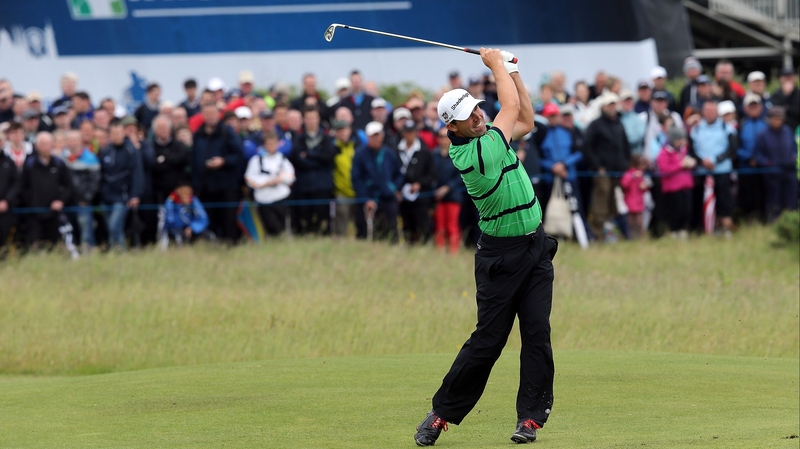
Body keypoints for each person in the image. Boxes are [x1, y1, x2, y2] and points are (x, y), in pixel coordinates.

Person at [415, 48, 557, 447]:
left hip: (536, 249)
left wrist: (513, 72)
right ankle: (442, 413)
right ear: (453, 127)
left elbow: (524, 117)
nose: (477, 115)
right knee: (488, 341)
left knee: (537, 332)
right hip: (501, 258)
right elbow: (509, 107)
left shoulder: (490, 134)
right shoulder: (474, 152)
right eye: (468, 116)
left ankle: (530, 420)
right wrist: (496, 63)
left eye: (477, 109)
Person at [190, 103, 244, 243]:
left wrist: (223, 161)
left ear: (218, 115)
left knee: (228, 220)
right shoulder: (198, 135)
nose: (211, 117)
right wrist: (195, 185)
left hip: (227, 186)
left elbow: (238, 155)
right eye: (207, 114)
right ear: (203, 115)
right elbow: (194, 160)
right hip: (206, 186)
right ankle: (214, 246)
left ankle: (231, 247)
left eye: (213, 113)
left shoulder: (227, 132)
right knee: (210, 219)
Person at [583, 92, 632, 240]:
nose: (612, 107)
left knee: (615, 205)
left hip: (618, 172)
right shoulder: (596, 124)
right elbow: (587, 147)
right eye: (609, 105)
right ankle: (596, 235)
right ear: (603, 106)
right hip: (602, 172)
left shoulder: (619, 123)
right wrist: (597, 166)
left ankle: (614, 235)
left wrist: (625, 164)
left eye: (614, 104)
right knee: (600, 204)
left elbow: (625, 146)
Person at [688, 100, 736, 236]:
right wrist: (702, 161)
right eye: (707, 111)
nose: (710, 113)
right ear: (703, 112)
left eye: (713, 111)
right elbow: (692, 149)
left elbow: (732, 148)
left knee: (724, 200)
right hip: (702, 170)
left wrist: (715, 160)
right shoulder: (696, 128)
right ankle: (702, 228)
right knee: (700, 200)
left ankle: (724, 227)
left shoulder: (726, 127)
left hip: (722, 170)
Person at [350, 121, 403, 242]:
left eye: (378, 135)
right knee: (366, 234)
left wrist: (394, 189)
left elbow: (399, 174)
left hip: (388, 199)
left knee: (391, 232)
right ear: (368, 137)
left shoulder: (389, 153)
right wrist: (365, 198)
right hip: (369, 200)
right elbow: (356, 178)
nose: (376, 138)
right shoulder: (360, 154)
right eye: (373, 135)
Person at [20, 132, 73, 250]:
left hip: (54, 213)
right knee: (34, 246)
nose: (45, 147)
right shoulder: (29, 164)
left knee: (54, 246)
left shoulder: (59, 163)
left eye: (48, 144)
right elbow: (23, 186)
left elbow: (68, 186)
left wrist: (61, 201)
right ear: (37, 146)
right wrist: (30, 202)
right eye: (42, 144)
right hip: (34, 214)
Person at [288, 106, 336, 235]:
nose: (311, 121)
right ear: (304, 120)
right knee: (304, 219)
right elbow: (298, 159)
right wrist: (317, 157)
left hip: (322, 185)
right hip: (304, 185)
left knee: (323, 220)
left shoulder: (327, 138)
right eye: (308, 118)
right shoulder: (298, 139)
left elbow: (328, 157)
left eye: (313, 118)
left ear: (318, 119)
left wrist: (308, 154)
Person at [98, 120, 144, 250]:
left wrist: (135, 194)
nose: (117, 135)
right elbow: (102, 174)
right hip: (106, 196)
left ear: (124, 133)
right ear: (110, 135)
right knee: (112, 228)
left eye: (119, 132)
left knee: (114, 225)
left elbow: (137, 173)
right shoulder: (106, 151)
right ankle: (115, 253)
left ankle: (122, 252)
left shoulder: (131, 150)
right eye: (114, 133)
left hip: (122, 196)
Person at [245, 131, 295, 236]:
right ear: (264, 145)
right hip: (264, 199)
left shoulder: (282, 158)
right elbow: (249, 178)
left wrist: (280, 179)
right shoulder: (256, 160)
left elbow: (291, 175)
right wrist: (265, 183)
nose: (271, 146)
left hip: (281, 197)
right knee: (270, 226)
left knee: (283, 225)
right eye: (269, 144)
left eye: (273, 144)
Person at [753, 106, 798, 222]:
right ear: (770, 119)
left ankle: (791, 222)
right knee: (774, 201)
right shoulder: (762, 134)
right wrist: (767, 163)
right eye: (775, 118)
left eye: (780, 118)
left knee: (791, 200)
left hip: (789, 171)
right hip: (772, 174)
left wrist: (793, 156)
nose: (777, 120)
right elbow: (757, 154)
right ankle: (774, 223)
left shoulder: (788, 131)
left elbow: (794, 147)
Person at [395, 120, 436, 244]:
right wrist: (396, 190)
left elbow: (432, 174)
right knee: (407, 227)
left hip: (421, 196)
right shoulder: (396, 150)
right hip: (403, 197)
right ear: (403, 134)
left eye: (412, 132)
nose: (410, 135)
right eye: (407, 132)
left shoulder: (424, 151)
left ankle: (425, 249)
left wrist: (420, 184)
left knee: (423, 226)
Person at [61, 130, 101, 251]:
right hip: (66, 202)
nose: (73, 142)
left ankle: (87, 252)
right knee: (68, 229)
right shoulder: (61, 157)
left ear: (80, 141)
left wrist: (86, 198)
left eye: (75, 139)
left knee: (86, 229)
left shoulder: (90, 157)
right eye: (70, 139)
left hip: (83, 201)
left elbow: (95, 181)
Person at [657, 126, 695, 238]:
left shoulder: (683, 151)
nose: (682, 142)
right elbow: (664, 169)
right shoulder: (664, 152)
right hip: (672, 189)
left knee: (686, 211)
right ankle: (674, 233)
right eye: (680, 140)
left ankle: (683, 232)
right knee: (675, 213)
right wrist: (680, 165)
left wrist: (690, 164)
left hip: (685, 187)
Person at [736, 93, 768, 222]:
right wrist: (749, 158)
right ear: (745, 109)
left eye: (756, 106)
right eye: (751, 106)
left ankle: (764, 219)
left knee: (764, 194)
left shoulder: (767, 123)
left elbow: (770, 145)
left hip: (764, 167)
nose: (754, 109)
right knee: (747, 195)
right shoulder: (741, 125)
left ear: (761, 107)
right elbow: (735, 147)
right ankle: (748, 219)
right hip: (746, 167)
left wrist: (760, 159)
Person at [432, 127, 464, 253]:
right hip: (437, 196)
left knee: (452, 225)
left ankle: (453, 252)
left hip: (453, 195)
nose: (443, 140)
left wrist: (447, 187)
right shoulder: (433, 155)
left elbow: (461, 175)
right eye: (440, 137)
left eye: (445, 136)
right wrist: (436, 189)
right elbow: (431, 174)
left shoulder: (458, 153)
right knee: (439, 225)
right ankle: (440, 251)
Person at [331, 120, 362, 237]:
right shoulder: (332, 149)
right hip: (342, 193)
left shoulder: (357, 148)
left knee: (359, 224)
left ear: (349, 131)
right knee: (341, 226)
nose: (342, 133)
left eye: (344, 130)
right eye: (339, 131)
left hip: (358, 191)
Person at [151, 115, 190, 205]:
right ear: (155, 131)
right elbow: (155, 166)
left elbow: (182, 159)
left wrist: (164, 159)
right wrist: (172, 160)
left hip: (179, 188)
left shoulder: (179, 145)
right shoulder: (151, 147)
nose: (163, 130)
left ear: (170, 129)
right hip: (160, 190)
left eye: (165, 127)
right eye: (160, 128)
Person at [161, 181, 213, 246]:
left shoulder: (194, 201)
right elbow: (169, 220)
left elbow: (203, 218)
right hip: (176, 229)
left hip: (193, 228)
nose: (185, 194)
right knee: (178, 238)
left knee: (209, 236)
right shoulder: (171, 201)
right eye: (182, 191)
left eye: (188, 192)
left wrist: (192, 227)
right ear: (177, 191)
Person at [620, 154, 649, 239]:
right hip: (630, 202)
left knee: (640, 222)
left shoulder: (641, 174)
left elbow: (643, 188)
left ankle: (641, 238)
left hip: (639, 202)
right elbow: (624, 184)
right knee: (630, 223)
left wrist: (644, 187)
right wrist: (633, 177)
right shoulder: (629, 173)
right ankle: (630, 238)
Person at [0, 145, 20, 252]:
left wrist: (6, 200)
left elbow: (17, 183)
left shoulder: (8, 161)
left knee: (6, 241)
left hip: (6, 209)